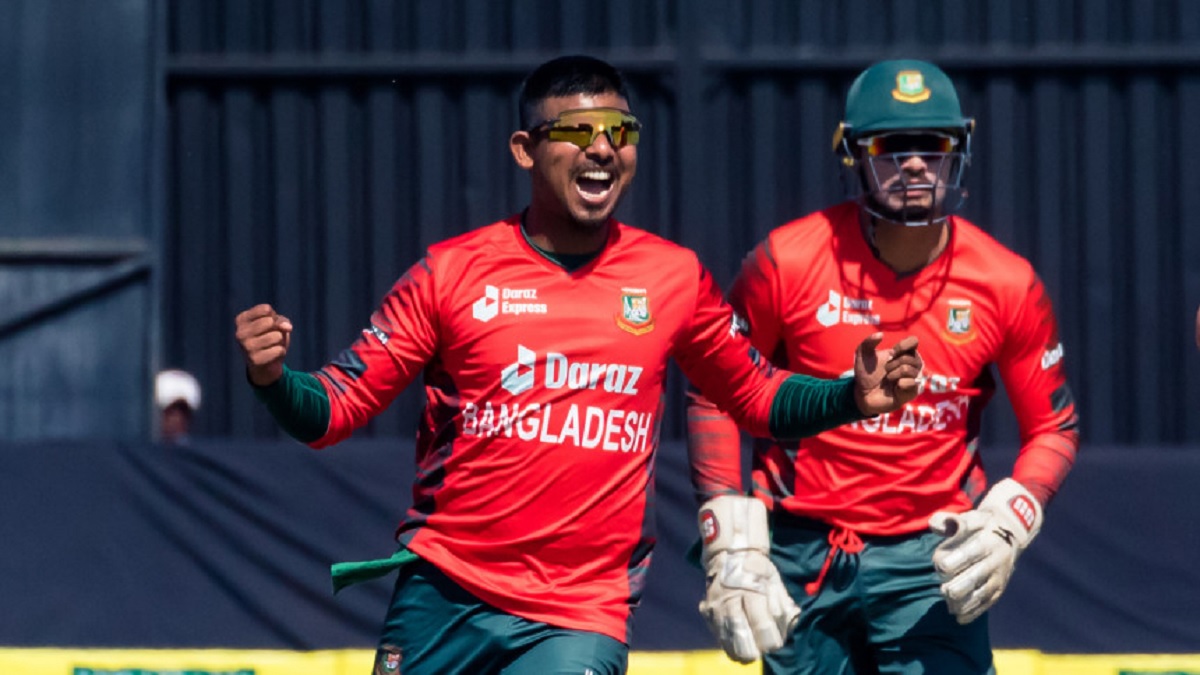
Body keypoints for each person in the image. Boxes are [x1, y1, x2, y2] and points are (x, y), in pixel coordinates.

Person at [234, 55, 923, 675]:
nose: (602, 148)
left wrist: (848, 397)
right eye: (577, 131)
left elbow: (756, 397)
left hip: (579, 614)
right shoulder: (451, 272)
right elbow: (332, 411)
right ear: (524, 149)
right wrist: (274, 380)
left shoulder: (672, 276)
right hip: (444, 591)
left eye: (621, 132)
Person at [686, 59, 1081, 673]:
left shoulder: (1006, 281)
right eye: (892, 145)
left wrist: (1011, 518)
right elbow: (715, 389)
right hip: (801, 550)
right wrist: (728, 536)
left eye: (933, 145)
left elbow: (1053, 428)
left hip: (934, 558)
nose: (915, 163)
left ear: (959, 151)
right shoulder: (787, 261)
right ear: (853, 154)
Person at [155, 368, 201, 445]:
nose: (175, 420)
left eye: (183, 414)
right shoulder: (142, 448)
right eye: (168, 413)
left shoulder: (195, 449)